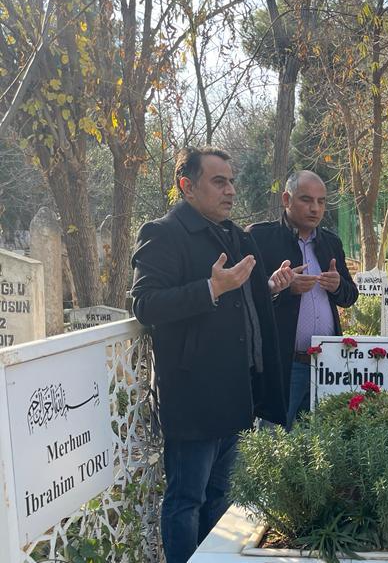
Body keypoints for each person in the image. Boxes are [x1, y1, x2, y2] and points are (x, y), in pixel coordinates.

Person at [131, 146, 293, 563]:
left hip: (235, 394)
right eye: (218, 181)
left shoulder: (235, 235)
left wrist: (269, 289)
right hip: (194, 397)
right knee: (187, 499)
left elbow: (245, 305)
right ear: (187, 186)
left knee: (221, 496)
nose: (230, 191)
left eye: (232, 181)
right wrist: (211, 289)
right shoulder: (164, 232)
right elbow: (145, 303)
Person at [249, 170, 359, 429]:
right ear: (286, 199)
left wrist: (337, 285)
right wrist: (280, 288)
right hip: (283, 366)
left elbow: (349, 296)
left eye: (321, 201)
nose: (315, 208)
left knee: (319, 448)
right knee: (274, 450)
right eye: (306, 200)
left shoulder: (330, 242)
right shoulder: (259, 238)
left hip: (326, 366)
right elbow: (243, 299)